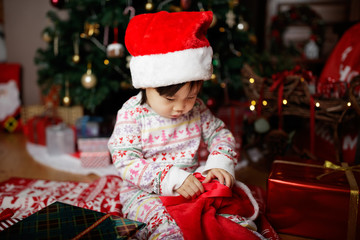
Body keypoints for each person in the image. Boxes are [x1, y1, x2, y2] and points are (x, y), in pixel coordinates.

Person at [108, 11, 261, 239]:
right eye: (170, 99)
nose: (181, 108)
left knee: (223, 212)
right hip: (144, 192)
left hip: (192, 185)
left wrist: (218, 164)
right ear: (147, 85)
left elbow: (221, 135)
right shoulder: (132, 113)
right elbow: (126, 161)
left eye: (190, 97)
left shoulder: (197, 109)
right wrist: (169, 179)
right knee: (166, 226)